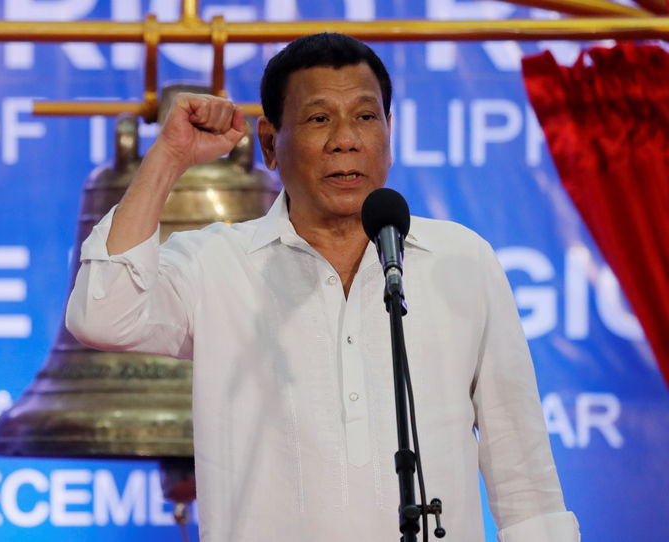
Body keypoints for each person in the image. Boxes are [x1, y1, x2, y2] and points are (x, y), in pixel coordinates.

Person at [67, 33, 580, 542]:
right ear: (270, 143)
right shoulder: (217, 264)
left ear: (389, 132)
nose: (345, 139)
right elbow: (102, 314)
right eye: (318, 119)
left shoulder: (461, 260)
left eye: (364, 116)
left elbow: (523, 475)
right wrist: (169, 157)